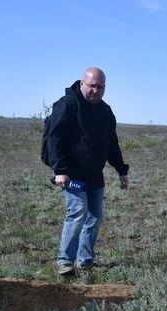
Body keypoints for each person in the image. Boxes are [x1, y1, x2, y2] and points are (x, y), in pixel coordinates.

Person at [47, 67, 129, 276]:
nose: (96, 91)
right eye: (92, 86)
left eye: (100, 87)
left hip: (94, 175)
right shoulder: (67, 104)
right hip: (72, 173)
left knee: (94, 216)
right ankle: (65, 261)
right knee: (77, 211)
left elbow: (112, 143)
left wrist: (121, 170)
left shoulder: (105, 111)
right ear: (82, 83)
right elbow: (54, 138)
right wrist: (60, 170)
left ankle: (85, 261)